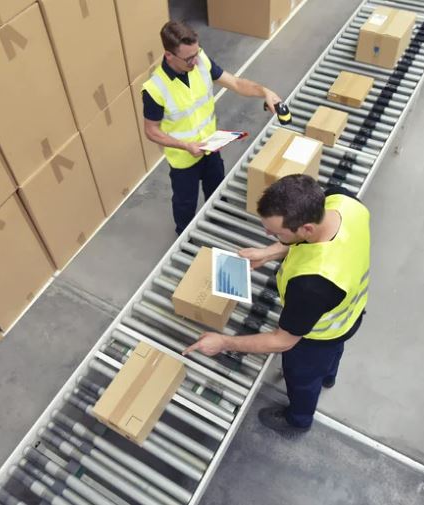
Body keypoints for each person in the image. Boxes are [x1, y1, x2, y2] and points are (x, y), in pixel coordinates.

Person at [183, 174, 370, 436]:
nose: (269, 235)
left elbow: (282, 341)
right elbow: (309, 241)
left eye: (276, 233)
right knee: (331, 355)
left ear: (305, 228)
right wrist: (268, 252)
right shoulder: (343, 202)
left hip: (318, 334)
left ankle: (298, 419)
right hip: (349, 313)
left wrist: (224, 342)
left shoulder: (312, 283)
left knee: (302, 378)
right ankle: (328, 375)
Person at [142, 21, 282, 235]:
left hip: (211, 146)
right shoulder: (155, 88)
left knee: (217, 188)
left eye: (196, 53)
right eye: (188, 58)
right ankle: (185, 237)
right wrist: (185, 145)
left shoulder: (201, 61)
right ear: (169, 55)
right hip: (184, 159)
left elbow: (235, 83)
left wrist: (265, 92)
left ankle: (218, 221)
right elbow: (151, 130)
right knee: (185, 203)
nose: (195, 60)